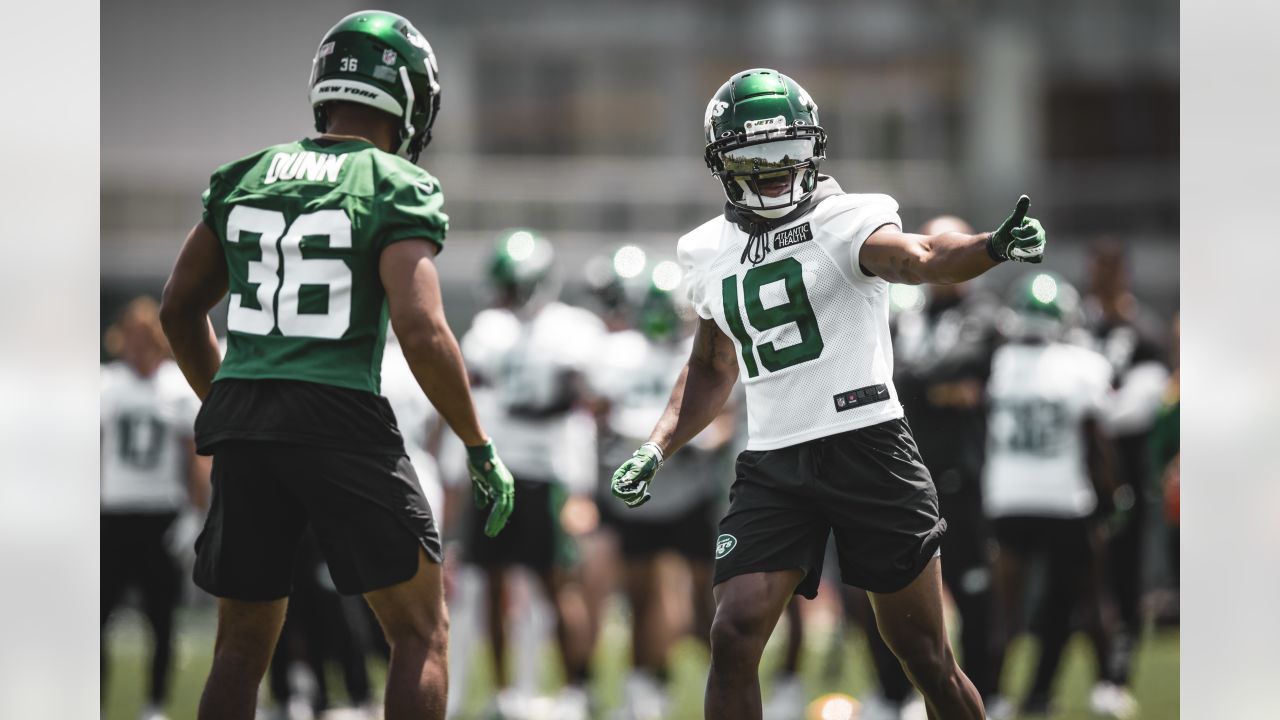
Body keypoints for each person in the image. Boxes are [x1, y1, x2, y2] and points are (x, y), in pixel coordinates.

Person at [609, 68, 1048, 720]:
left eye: (786, 150)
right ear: (721, 164)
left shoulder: (846, 217)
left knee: (924, 653)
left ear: (813, 147)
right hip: (774, 462)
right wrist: (657, 444)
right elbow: (710, 364)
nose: (775, 168)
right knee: (732, 633)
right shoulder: (706, 250)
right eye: (754, 156)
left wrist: (989, 248)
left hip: (868, 448)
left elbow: (920, 255)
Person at [157, 11, 515, 720]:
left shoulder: (245, 174)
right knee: (421, 631)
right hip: (339, 413)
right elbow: (422, 327)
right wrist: (478, 444)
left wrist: (228, 400)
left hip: (246, 419)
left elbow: (177, 309)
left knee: (238, 648)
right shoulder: (393, 182)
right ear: (411, 97)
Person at [459, 230, 605, 720]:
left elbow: (585, 401)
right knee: (492, 583)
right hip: (498, 468)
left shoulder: (573, 329)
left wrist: (582, 488)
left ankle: (574, 690)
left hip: (552, 469)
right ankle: (503, 695)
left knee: (557, 583)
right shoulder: (488, 329)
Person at [589, 262, 733, 720]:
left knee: (706, 600)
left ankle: (725, 684)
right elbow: (602, 412)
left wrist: (703, 440)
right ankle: (645, 690)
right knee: (639, 596)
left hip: (690, 492)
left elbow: (726, 415)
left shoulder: (704, 349)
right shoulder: (621, 352)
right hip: (639, 497)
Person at [983, 272, 1129, 718]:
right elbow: (1097, 439)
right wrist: (1113, 494)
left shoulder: (997, 361)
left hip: (1007, 496)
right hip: (1065, 498)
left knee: (1005, 611)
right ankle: (1107, 684)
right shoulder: (1082, 365)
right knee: (1089, 599)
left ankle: (996, 693)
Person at [888, 215, 1008, 717]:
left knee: (973, 589)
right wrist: (931, 389)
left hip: (966, 475)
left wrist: (917, 385)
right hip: (907, 471)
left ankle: (989, 694)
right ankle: (895, 697)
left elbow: (968, 360)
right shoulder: (905, 314)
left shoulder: (985, 314)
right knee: (899, 597)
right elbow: (889, 372)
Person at [101, 297, 209, 720]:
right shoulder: (104, 384)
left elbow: (195, 456)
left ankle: (156, 706)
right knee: (98, 613)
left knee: (161, 616)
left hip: (160, 514)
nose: (138, 345)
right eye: (132, 336)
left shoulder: (176, 387)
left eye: (146, 337)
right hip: (111, 513)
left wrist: (194, 514)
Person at [1082, 237, 1170, 703]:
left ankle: (1120, 672)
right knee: (1083, 575)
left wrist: (1086, 403)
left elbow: (1135, 411)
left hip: (1127, 477)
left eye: (1106, 273)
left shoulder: (1144, 335)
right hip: (1080, 474)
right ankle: (1098, 672)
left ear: (1124, 276)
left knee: (1125, 571)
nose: (1097, 283)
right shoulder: (1080, 330)